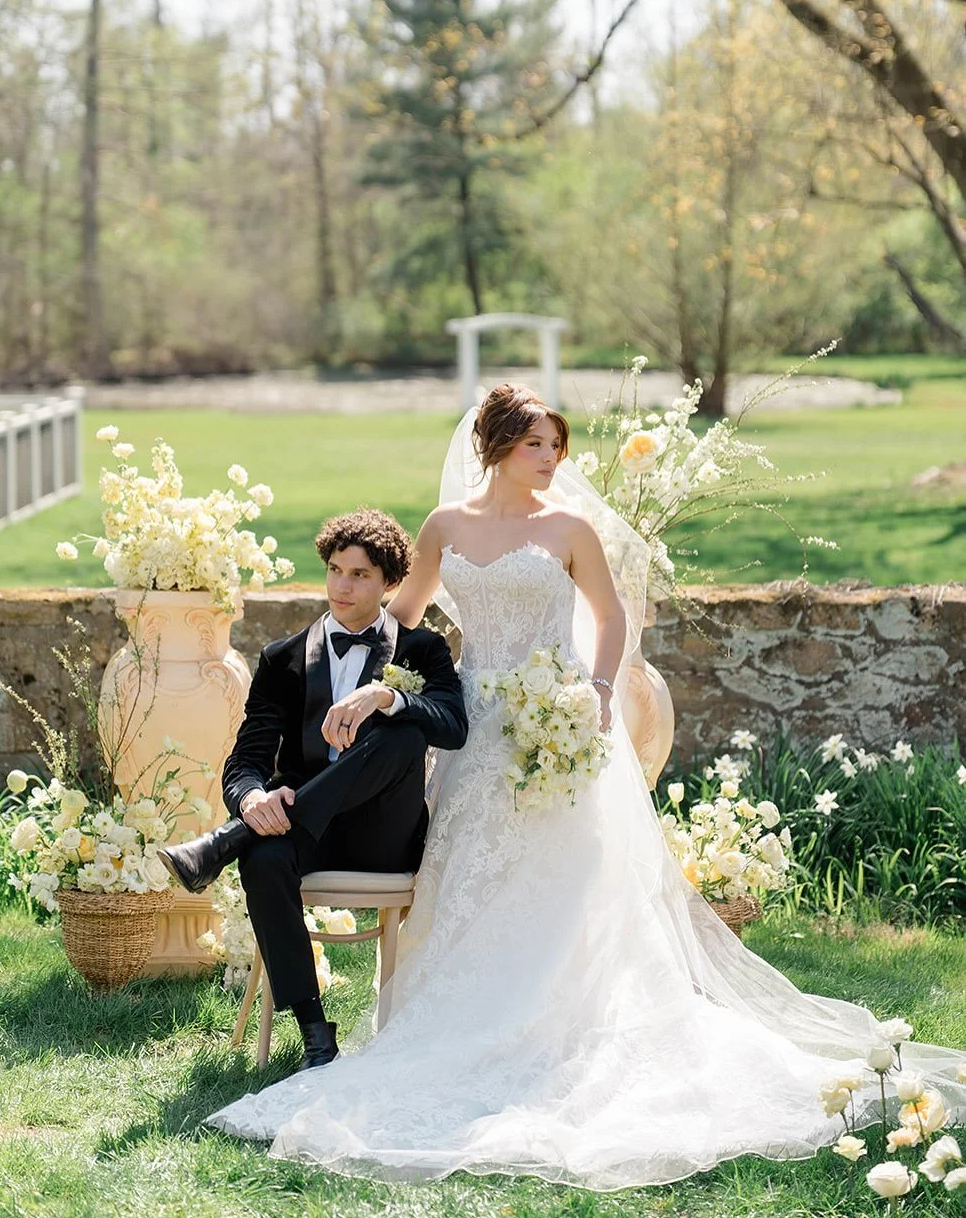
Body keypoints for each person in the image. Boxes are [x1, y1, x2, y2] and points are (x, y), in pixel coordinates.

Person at [205, 384, 966, 1191]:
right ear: (496, 444)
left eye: (557, 447)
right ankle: (464, 1020)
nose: (552, 459)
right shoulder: (444, 528)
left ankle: (566, 1025)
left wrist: (596, 689)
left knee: (566, 879)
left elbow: (607, 616)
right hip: (476, 725)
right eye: (537, 444)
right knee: (473, 871)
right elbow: (405, 622)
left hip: (556, 717)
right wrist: (379, 689)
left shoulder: (570, 529)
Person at [159, 508, 467, 1071]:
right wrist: (252, 800)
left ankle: (226, 841)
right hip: (306, 834)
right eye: (335, 570)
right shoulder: (282, 659)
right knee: (267, 858)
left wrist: (386, 697)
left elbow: (454, 726)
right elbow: (247, 759)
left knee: (402, 736)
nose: (343, 586)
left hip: (383, 835)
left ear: (390, 584)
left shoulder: (421, 650)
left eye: (360, 575)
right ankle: (314, 1033)